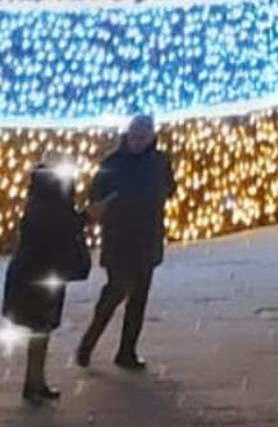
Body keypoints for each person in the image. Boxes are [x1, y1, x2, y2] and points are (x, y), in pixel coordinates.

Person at [76, 114, 176, 372]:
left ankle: (127, 351)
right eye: (135, 133)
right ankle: (89, 342)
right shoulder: (112, 163)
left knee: (139, 298)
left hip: (148, 238)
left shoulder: (160, 161)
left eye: (144, 134)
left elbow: (169, 189)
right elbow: (95, 195)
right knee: (116, 291)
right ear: (128, 134)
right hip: (120, 239)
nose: (138, 139)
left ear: (152, 136)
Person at [3, 160, 89, 404]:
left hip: (37, 277)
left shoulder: (42, 203)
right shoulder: (47, 207)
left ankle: (35, 382)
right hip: (36, 280)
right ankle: (33, 384)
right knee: (40, 332)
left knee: (41, 333)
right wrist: (86, 217)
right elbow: (57, 233)